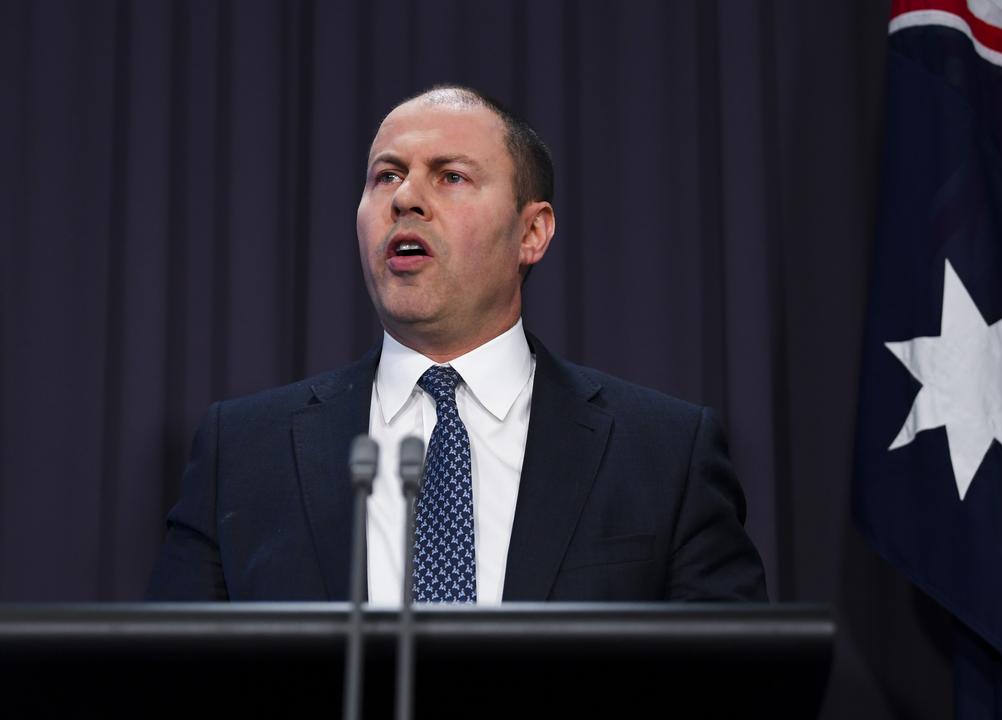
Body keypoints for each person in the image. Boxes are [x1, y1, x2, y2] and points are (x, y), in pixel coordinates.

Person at [147, 85, 767, 604]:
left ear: (531, 231)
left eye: (450, 176)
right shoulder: (245, 451)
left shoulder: (662, 453)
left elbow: (739, 683)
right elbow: (164, 680)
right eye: (386, 175)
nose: (405, 198)